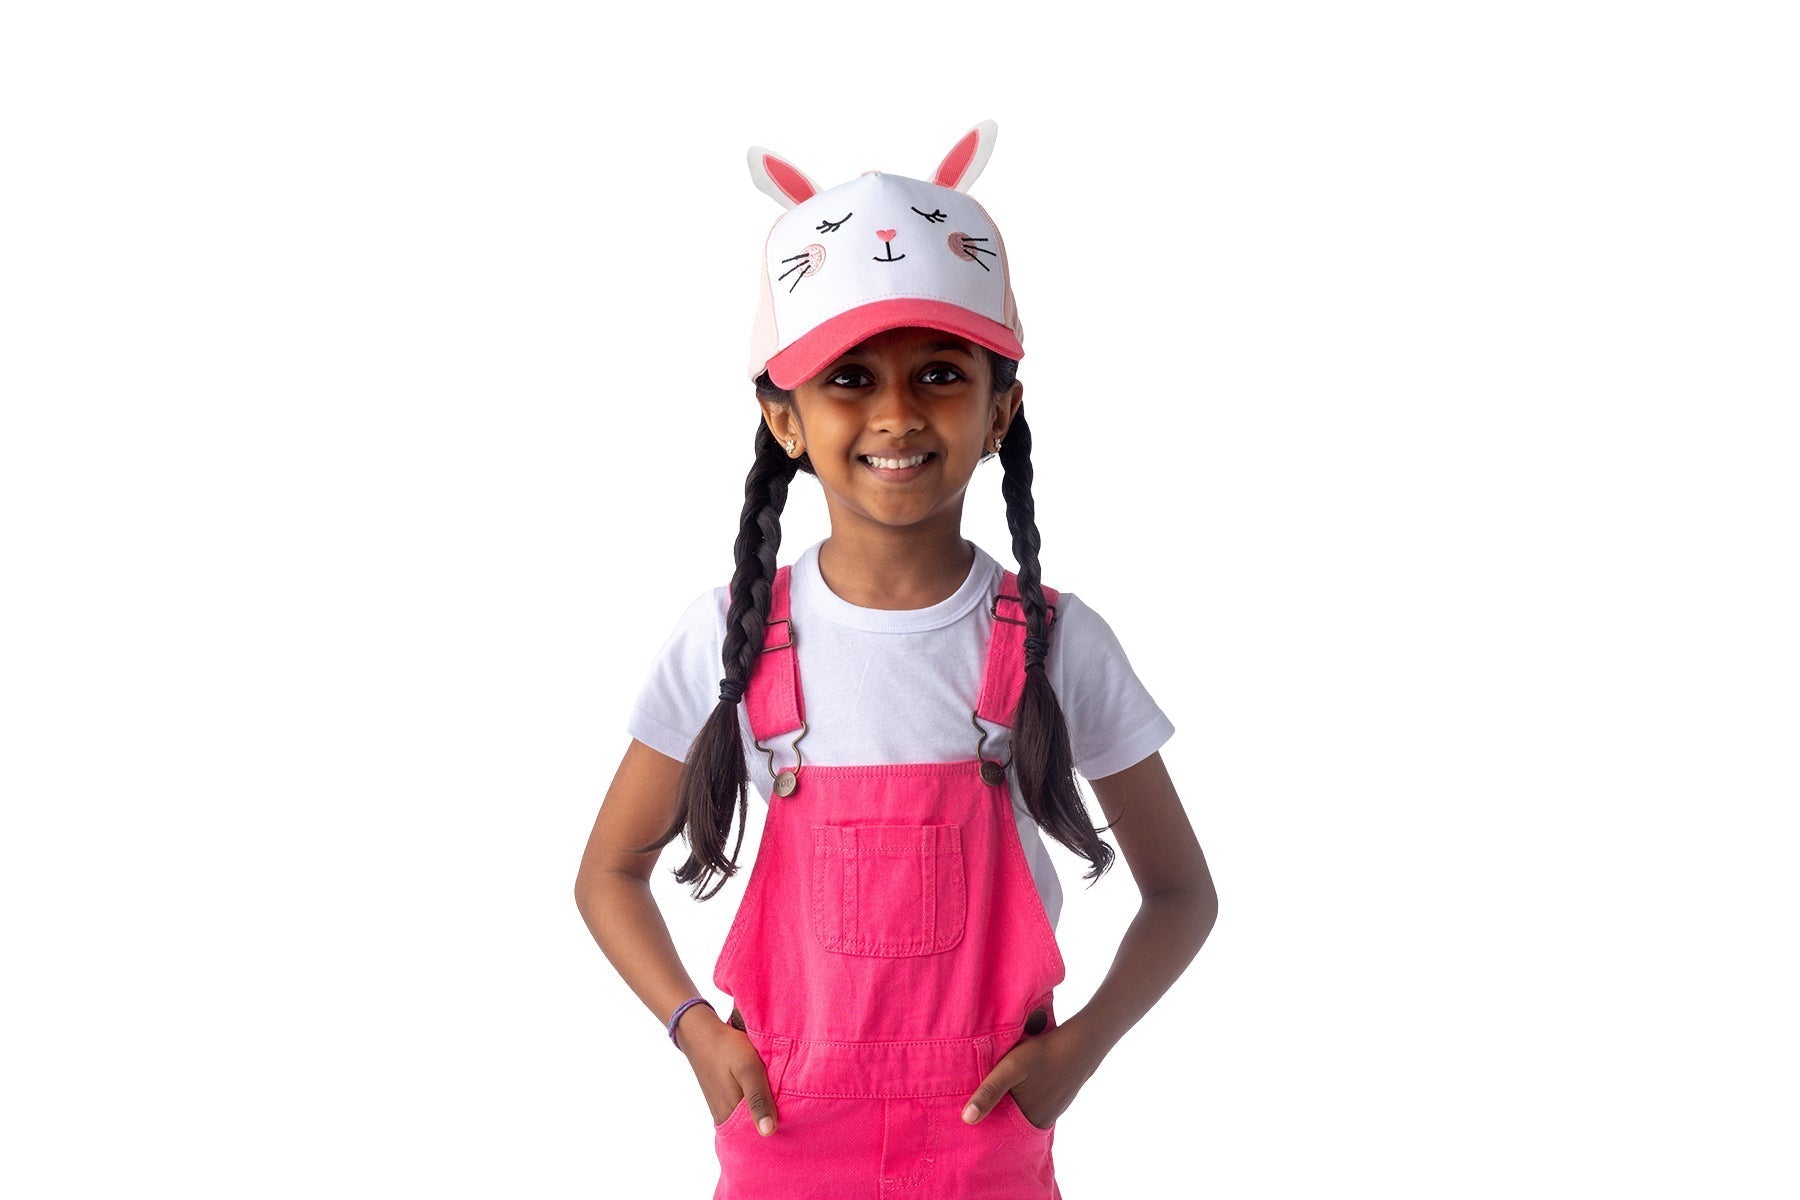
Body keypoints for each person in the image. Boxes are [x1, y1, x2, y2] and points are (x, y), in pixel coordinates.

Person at [574, 120, 1218, 1198]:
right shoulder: (732, 640)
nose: (896, 414)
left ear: (1000, 407)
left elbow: (1182, 894)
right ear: (784, 419)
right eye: (848, 379)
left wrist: (1079, 1054)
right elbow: (607, 874)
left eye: (938, 374)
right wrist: (694, 1032)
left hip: (986, 1140)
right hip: (782, 1131)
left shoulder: (1053, 642)